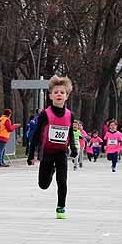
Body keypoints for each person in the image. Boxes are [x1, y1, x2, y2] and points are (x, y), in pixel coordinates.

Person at [26, 75, 78, 219]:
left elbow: (70, 133)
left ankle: (61, 207)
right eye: (56, 92)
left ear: (67, 96)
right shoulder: (45, 114)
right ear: (50, 96)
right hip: (47, 152)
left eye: (62, 92)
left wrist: (74, 149)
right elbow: (36, 135)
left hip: (61, 152)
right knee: (43, 185)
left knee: (62, 181)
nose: (59, 94)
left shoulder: (70, 115)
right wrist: (31, 155)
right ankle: (51, 170)